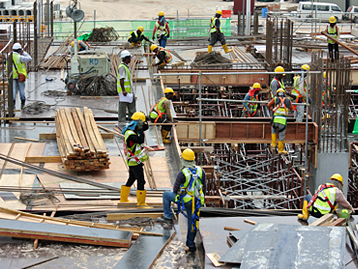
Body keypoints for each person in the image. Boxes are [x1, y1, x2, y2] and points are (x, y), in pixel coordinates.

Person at [157, 148, 206, 253]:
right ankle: (191, 244)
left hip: (185, 201)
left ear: (183, 160)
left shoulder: (182, 173)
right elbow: (204, 188)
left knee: (166, 195)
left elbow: (175, 190)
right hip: (196, 202)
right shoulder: (201, 171)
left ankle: (168, 217)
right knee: (192, 222)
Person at [120, 112, 149, 205]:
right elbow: (140, 140)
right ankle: (141, 203)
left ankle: (123, 199)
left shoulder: (133, 130)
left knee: (132, 178)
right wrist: (140, 129)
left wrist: (145, 123)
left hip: (134, 161)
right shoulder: (130, 134)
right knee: (141, 180)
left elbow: (146, 128)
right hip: (134, 161)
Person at [268, 88, 293, 154]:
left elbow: (268, 105)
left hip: (275, 119)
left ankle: (273, 145)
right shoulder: (288, 100)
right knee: (281, 135)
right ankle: (280, 150)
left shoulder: (275, 99)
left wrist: (271, 108)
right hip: (283, 121)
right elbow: (291, 108)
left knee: (273, 130)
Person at [10, 42, 32, 109]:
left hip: (12, 76)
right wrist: (24, 52)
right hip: (20, 76)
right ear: (19, 50)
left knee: (13, 90)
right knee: (21, 89)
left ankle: (13, 103)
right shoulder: (20, 57)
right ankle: (22, 102)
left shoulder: (9, 56)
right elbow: (29, 58)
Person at [117, 50, 136, 122]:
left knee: (132, 104)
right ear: (126, 58)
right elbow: (121, 79)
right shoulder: (122, 67)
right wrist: (123, 90)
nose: (130, 60)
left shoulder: (126, 66)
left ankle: (132, 118)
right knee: (123, 106)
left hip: (129, 90)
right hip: (124, 91)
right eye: (129, 58)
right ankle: (122, 119)